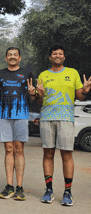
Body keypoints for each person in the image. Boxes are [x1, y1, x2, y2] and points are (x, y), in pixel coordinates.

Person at [30, 44, 91, 206]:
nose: (57, 55)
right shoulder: (43, 75)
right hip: (47, 118)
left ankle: (67, 192)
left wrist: (85, 90)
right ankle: (48, 190)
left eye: (60, 54)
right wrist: (39, 95)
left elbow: (80, 96)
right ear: (50, 57)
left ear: (64, 57)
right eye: (54, 54)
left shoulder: (72, 73)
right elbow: (39, 100)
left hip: (66, 118)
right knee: (48, 154)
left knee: (67, 155)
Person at [0, 47, 34, 201]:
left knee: (19, 150)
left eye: (15, 55)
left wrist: (33, 92)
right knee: (9, 149)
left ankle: (19, 187)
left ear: (20, 58)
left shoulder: (27, 73)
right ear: (6, 57)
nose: (13, 57)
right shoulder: (0, 74)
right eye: (10, 55)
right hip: (4, 115)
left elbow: (34, 96)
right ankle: (9, 186)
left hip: (21, 114)